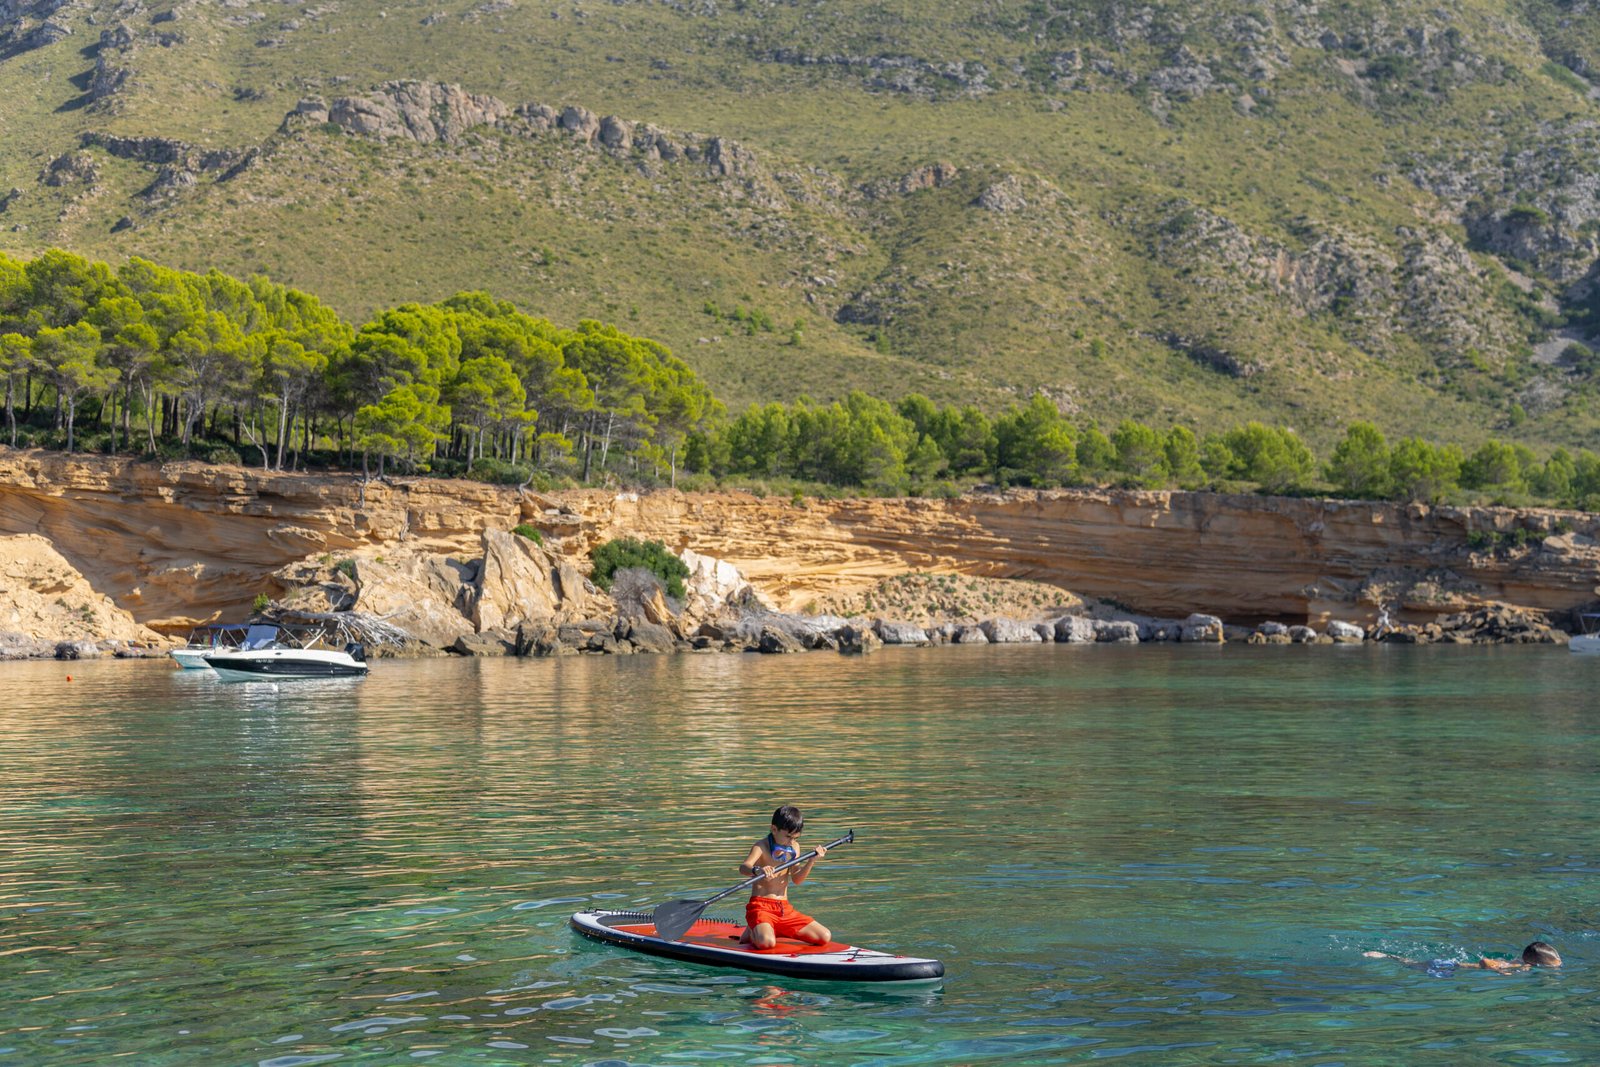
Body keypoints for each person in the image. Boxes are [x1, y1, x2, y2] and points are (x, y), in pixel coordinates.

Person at [738, 804, 831, 949]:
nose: (791, 841)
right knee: (766, 943)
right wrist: (758, 870)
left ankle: (771, 929)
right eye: (788, 836)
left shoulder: (794, 847)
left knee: (824, 936)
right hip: (761, 907)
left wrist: (811, 861)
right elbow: (743, 868)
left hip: (784, 909)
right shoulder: (761, 846)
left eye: (795, 837)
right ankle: (754, 929)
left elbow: (797, 879)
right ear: (774, 829)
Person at [1364, 941, 1562, 974]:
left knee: (1412, 963)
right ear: (1534, 963)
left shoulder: (1521, 963)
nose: (1558, 965)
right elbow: (1484, 962)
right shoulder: (1521, 966)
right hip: (1448, 967)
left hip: (1452, 966)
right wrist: (1500, 970)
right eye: (1553, 964)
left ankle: (1388, 955)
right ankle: (1385, 955)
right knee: (1411, 964)